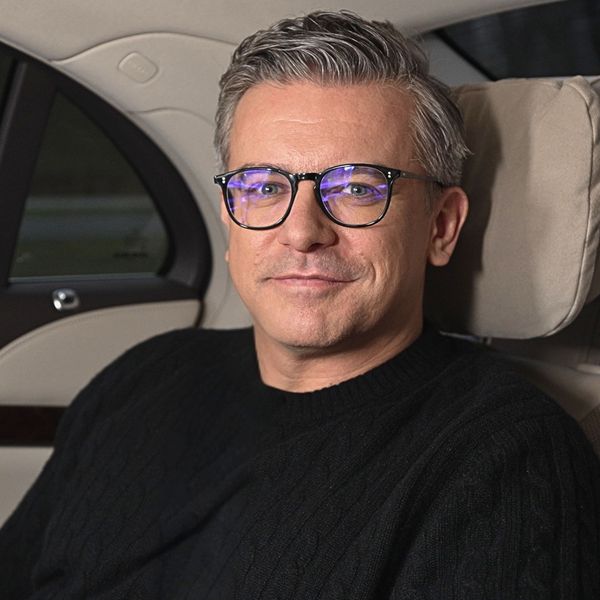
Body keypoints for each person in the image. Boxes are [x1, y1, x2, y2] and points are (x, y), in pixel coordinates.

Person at [1, 10, 599, 600]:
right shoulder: (146, 375)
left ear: (441, 227)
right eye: (264, 187)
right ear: (230, 219)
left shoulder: (507, 462)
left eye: (357, 187)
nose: (302, 232)